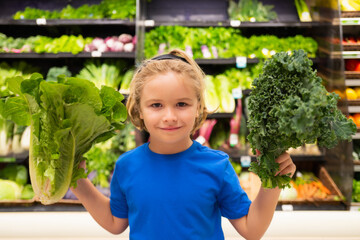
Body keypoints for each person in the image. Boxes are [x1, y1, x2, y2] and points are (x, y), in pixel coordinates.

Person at [70, 49, 296, 240]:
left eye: (181, 104)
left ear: (198, 106)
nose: (169, 116)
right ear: (139, 109)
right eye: (156, 105)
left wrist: (272, 181)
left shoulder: (217, 166)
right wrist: (78, 183)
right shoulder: (126, 165)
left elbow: (251, 229)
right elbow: (115, 223)